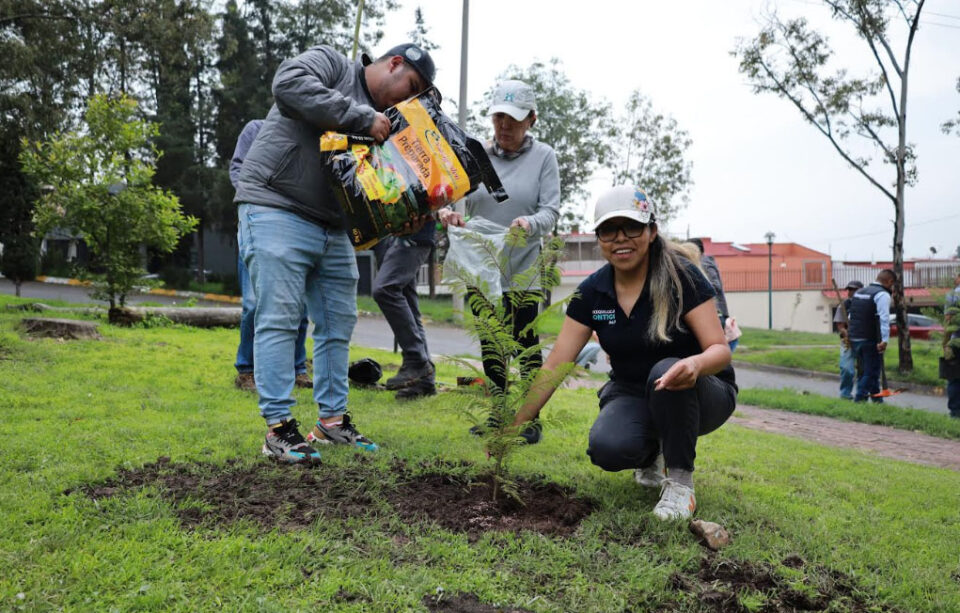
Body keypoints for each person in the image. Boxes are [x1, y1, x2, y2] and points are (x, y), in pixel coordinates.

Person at [234, 42, 436, 463]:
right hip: (275, 203)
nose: (405, 99)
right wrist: (363, 117)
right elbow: (287, 84)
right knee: (281, 316)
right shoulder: (333, 64)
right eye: (409, 86)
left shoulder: (391, 124)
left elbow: (378, 188)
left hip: (333, 226)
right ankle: (278, 430)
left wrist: (404, 215)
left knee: (337, 322)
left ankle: (331, 422)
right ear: (395, 64)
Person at [511, 185, 737, 521]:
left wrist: (695, 364)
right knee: (607, 447)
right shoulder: (592, 293)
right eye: (608, 230)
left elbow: (720, 351)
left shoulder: (682, 278)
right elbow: (557, 363)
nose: (620, 238)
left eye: (631, 227)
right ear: (598, 238)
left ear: (651, 231)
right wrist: (515, 426)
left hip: (702, 392)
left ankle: (679, 485)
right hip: (633, 392)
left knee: (666, 369)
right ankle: (650, 456)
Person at [438, 79, 561, 442]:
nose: (504, 126)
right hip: (482, 263)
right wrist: (448, 213)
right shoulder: (475, 154)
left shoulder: (544, 158)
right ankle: (498, 416)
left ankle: (528, 419)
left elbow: (550, 210)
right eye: (498, 118)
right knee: (491, 341)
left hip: (522, 263)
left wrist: (529, 223)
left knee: (524, 342)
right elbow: (448, 195)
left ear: (531, 120)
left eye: (513, 119)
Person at [229, 119, 311, 392]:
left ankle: (297, 368)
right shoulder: (256, 129)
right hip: (258, 228)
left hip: (295, 232)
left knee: (299, 306)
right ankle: (247, 370)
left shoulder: (306, 134)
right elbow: (238, 170)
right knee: (253, 304)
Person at [373, 228, 436, 399]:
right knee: (408, 304)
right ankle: (424, 382)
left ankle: (416, 360)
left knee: (385, 289)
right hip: (385, 237)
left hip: (411, 234)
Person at [847, 269, 895, 403]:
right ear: (889, 281)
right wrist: (884, 340)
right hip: (870, 339)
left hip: (855, 337)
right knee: (872, 371)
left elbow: (851, 316)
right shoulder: (882, 294)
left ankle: (877, 401)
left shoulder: (859, 292)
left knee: (867, 371)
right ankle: (859, 399)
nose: (892, 288)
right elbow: (884, 318)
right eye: (892, 285)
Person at [690, 238, 738, 352]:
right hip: (717, 311)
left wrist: (696, 287)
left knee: (712, 348)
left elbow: (715, 285)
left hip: (716, 312)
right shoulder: (705, 261)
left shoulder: (704, 263)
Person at [833, 280, 863, 400]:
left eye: (854, 289)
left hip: (863, 339)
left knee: (863, 370)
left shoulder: (866, 304)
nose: (851, 292)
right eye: (849, 289)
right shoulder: (843, 305)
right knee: (846, 369)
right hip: (847, 341)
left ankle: (861, 395)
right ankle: (845, 394)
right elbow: (840, 325)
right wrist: (846, 333)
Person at [946, 272, 960, 418]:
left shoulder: (952, 295)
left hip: (956, 340)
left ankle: (955, 412)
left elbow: (948, 320)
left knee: (955, 377)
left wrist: (946, 344)